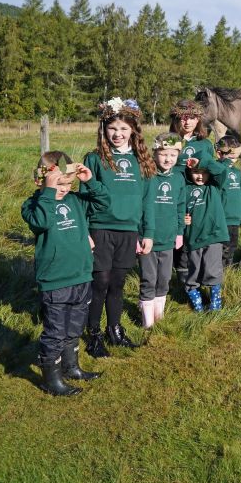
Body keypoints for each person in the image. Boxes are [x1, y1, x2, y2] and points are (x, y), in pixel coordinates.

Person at [22, 152, 110, 395]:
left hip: (81, 275)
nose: (64, 189)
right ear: (40, 181)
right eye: (58, 184)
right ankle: (51, 379)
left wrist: (89, 181)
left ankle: (72, 367)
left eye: (68, 184)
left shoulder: (75, 200)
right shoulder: (32, 205)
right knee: (55, 331)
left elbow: (104, 203)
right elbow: (41, 222)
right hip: (55, 280)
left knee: (74, 326)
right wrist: (49, 192)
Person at [82, 98, 156, 358]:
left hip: (129, 231)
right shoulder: (94, 159)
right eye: (113, 128)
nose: (118, 134)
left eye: (124, 129)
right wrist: (85, 234)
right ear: (104, 128)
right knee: (100, 282)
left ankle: (115, 329)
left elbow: (148, 201)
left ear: (133, 131)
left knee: (117, 283)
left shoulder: (143, 161)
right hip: (100, 228)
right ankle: (94, 334)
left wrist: (148, 233)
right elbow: (83, 198)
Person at [138, 133, 187, 328]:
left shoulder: (178, 178)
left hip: (168, 238)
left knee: (165, 279)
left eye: (173, 155)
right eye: (163, 154)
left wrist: (179, 231)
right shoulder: (146, 176)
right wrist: (138, 233)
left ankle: (159, 316)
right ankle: (147, 322)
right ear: (155, 153)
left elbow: (180, 206)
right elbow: (139, 207)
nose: (168, 159)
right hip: (148, 239)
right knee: (148, 278)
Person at [170, 99, 214, 287]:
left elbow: (210, 172)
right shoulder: (170, 139)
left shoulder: (204, 144)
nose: (187, 122)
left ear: (198, 121)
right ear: (176, 119)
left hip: (195, 194)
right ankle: (179, 270)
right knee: (176, 229)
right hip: (172, 193)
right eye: (183, 118)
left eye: (192, 118)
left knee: (193, 230)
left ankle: (198, 271)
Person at [183, 156, 231, 312]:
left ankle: (215, 302)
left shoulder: (214, 186)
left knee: (213, 269)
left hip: (213, 235)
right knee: (194, 270)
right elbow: (178, 209)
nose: (200, 176)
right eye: (196, 172)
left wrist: (201, 162)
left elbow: (222, 170)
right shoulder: (184, 188)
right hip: (193, 237)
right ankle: (196, 302)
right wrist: (183, 218)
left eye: (204, 172)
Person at [215, 135, 241, 266]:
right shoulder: (217, 170)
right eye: (231, 157)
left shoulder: (237, 172)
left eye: (236, 158)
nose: (233, 161)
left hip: (235, 218)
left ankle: (227, 275)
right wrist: (224, 163)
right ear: (219, 154)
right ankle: (217, 276)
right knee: (222, 249)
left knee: (232, 248)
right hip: (222, 218)